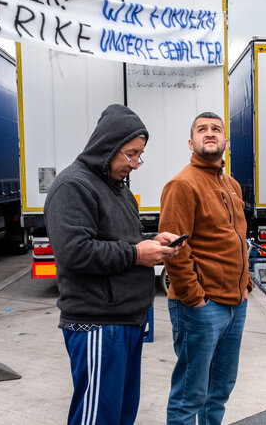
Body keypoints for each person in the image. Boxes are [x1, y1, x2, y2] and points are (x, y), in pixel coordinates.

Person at [45, 104, 182, 425]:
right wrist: (137, 254)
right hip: (97, 324)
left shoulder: (116, 187)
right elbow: (74, 252)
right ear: (108, 147)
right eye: (130, 154)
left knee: (119, 415)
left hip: (125, 321)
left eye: (139, 155)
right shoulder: (73, 187)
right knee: (97, 418)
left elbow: (117, 238)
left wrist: (153, 240)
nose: (134, 164)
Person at [159, 112, 250, 425]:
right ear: (191, 142)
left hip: (235, 304)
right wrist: (194, 298)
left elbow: (238, 237)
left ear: (225, 141)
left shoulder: (232, 185)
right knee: (190, 397)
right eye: (202, 129)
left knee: (219, 391)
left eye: (216, 129)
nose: (210, 133)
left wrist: (246, 283)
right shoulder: (181, 185)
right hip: (201, 307)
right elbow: (173, 250)